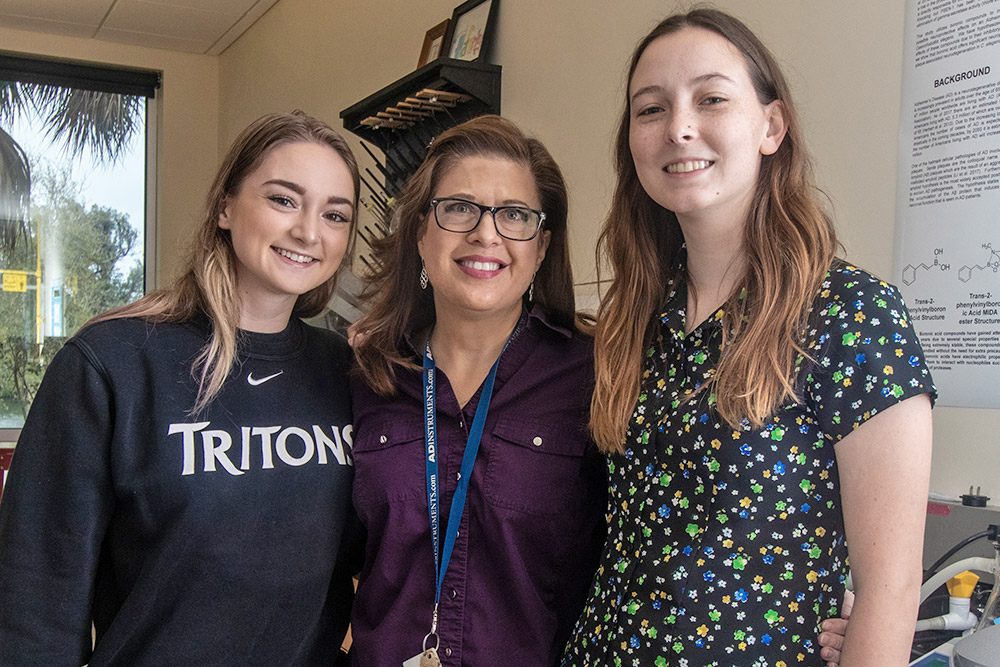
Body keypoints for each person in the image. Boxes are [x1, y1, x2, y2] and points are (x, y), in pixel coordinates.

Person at [563, 9, 934, 667]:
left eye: (711, 99)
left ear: (772, 125)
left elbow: (891, 591)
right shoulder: (635, 319)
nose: (679, 127)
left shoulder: (851, 315)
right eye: (650, 109)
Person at [0, 110, 361, 665]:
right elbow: (36, 596)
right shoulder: (112, 362)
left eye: (334, 214)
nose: (309, 232)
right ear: (225, 207)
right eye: (283, 200)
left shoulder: (347, 372)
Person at [348, 115, 606, 666]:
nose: (486, 234)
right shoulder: (367, 376)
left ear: (541, 246)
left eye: (514, 215)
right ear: (421, 232)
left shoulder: (595, 376)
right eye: (460, 208)